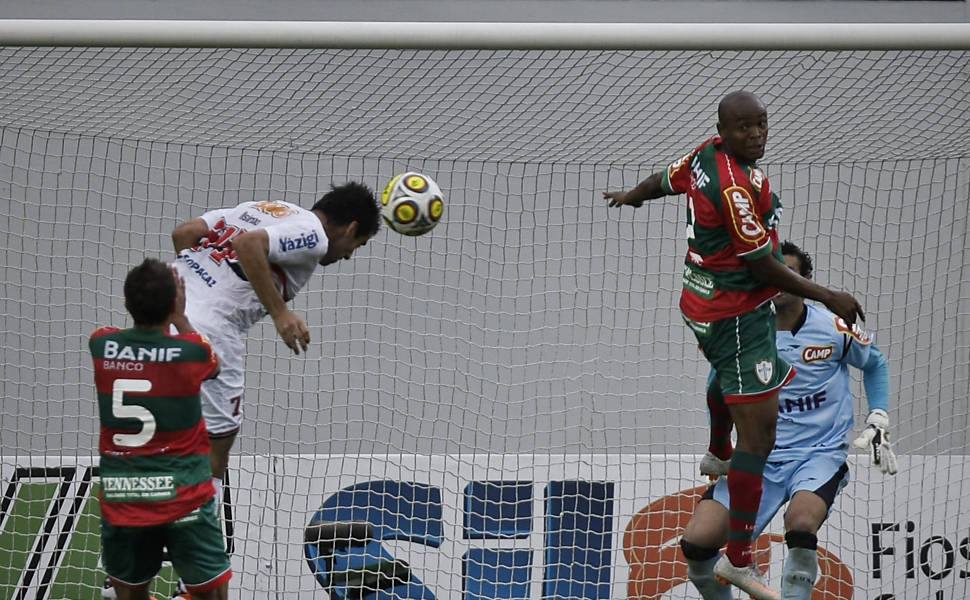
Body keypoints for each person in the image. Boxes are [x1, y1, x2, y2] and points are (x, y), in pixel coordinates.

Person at [603, 91, 865, 600]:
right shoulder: (734, 187)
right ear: (724, 128)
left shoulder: (706, 154)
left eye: (762, 124)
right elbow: (764, 266)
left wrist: (634, 194)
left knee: (729, 384)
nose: (756, 134)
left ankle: (717, 450)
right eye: (745, 128)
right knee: (760, 441)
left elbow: (667, 178)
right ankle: (741, 560)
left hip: (701, 301)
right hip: (737, 314)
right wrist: (829, 294)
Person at [679, 241, 898, 600]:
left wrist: (879, 414)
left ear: (805, 282)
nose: (780, 282)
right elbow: (716, 390)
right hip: (758, 459)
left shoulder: (833, 328)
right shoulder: (743, 333)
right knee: (697, 544)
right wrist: (722, 448)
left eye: (790, 275)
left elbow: (874, 363)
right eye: (772, 274)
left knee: (801, 523)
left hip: (818, 454)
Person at [170, 182, 380, 494]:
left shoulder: (264, 208)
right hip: (212, 330)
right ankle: (200, 534)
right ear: (350, 229)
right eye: (358, 245)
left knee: (168, 429)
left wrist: (200, 284)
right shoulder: (315, 236)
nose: (349, 255)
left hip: (164, 311)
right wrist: (281, 314)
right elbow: (248, 246)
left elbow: (184, 233)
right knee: (216, 443)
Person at [89, 258, 230, 600]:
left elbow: (123, 341)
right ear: (173, 304)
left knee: (130, 593)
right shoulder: (192, 352)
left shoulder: (100, 344)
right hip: (184, 498)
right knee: (213, 593)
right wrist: (181, 318)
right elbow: (215, 365)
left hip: (124, 498)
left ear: (127, 305)